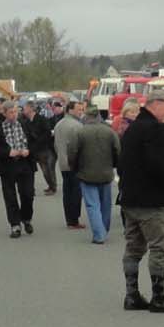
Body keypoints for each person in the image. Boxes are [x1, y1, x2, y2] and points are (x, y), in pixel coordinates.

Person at [117, 90, 164, 312]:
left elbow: (122, 163)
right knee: (160, 247)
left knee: (134, 247)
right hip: (150, 200)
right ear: (156, 104)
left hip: (130, 198)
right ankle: (158, 296)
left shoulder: (132, 128)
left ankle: (132, 295)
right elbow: (158, 164)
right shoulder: (153, 129)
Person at [73, 99, 121, 243]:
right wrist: (114, 165)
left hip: (86, 173)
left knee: (92, 204)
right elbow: (117, 150)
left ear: (87, 116)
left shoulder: (80, 132)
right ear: (99, 115)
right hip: (106, 173)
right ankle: (104, 229)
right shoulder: (110, 132)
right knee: (105, 204)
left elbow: (73, 152)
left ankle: (99, 234)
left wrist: (75, 167)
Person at [0, 96, 37, 237]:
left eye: (16, 112)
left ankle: (26, 218)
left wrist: (29, 150)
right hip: (8, 165)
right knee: (10, 196)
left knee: (28, 194)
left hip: (25, 163)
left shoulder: (24, 124)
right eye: (11, 112)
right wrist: (8, 152)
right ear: (4, 113)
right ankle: (15, 225)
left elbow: (35, 141)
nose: (14, 115)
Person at [54, 97, 86, 228]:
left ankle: (69, 219)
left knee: (67, 191)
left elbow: (56, 145)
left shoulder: (59, 124)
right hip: (74, 163)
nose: (81, 112)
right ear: (70, 110)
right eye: (78, 110)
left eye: (82, 109)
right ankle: (74, 219)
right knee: (76, 192)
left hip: (63, 162)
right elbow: (79, 146)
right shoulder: (77, 126)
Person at [36, 97, 63, 196]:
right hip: (51, 146)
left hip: (59, 146)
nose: (55, 110)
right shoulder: (51, 119)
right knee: (49, 167)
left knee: (52, 167)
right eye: (54, 108)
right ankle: (52, 186)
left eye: (57, 108)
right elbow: (47, 130)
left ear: (60, 108)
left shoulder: (64, 118)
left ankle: (53, 186)